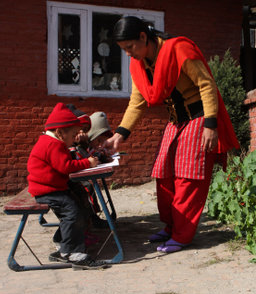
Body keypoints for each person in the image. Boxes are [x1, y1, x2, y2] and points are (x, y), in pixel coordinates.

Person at [105, 16, 239, 253]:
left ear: (143, 37)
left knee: (189, 177)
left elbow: (206, 84)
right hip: (176, 121)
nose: (127, 54)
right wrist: (120, 134)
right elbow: (138, 100)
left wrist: (211, 125)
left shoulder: (178, 48)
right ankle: (170, 227)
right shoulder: (140, 63)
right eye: (123, 50)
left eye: (130, 47)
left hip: (199, 119)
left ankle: (182, 235)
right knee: (163, 174)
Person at [27, 102, 110, 270]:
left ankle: (62, 243)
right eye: (73, 134)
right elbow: (65, 166)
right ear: (59, 132)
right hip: (47, 190)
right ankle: (71, 252)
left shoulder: (55, 142)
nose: (74, 138)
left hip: (52, 187)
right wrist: (87, 162)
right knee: (73, 213)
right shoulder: (53, 144)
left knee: (75, 211)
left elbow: (66, 163)